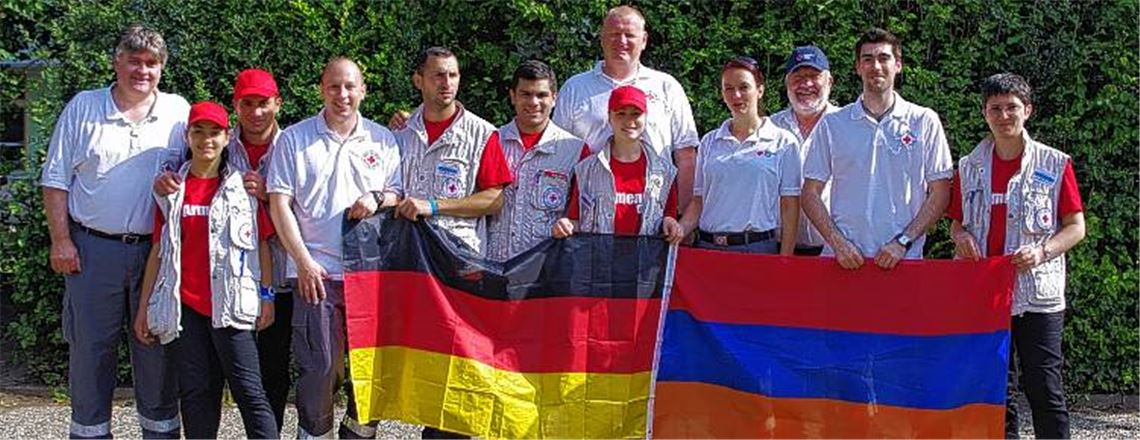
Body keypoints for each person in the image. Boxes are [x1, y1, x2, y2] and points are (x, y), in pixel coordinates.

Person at [40, 24, 185, 439]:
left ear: (162, 68)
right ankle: (89, 433)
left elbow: (207, 162)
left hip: (156, 253)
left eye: (152, 63)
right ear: (116, 61)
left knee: (156, 350)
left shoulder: (178, 111)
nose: (143, 70)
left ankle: (160, 434)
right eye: (134, 60)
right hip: (91, 251)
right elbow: (55, 180)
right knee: (90, 353)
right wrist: (61, 240)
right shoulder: (84, 107)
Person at [266, 57, 403, 439]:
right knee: (322, 367)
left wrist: (378, 197)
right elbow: (280, 203)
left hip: (369, 275)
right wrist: (303, 262)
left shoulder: (382, 139)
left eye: (350, 87)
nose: (342, 95)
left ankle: (359, 434)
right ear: (321, 89)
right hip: (317, 274)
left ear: (363, 90)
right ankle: (314, 433)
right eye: (334, 87)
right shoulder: (294, 139)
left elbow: (397, 193)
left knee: (368, 370)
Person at [152, 67, 294, 432]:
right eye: (248, 103)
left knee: (257, 386)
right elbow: (160, 247)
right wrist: (145, 307)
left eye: (214, 132)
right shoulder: (175, 187)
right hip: (191, 305)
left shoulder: (288, 147)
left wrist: (266, 295)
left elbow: (267, 236)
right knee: (198, 391)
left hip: (247, 295)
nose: (207, 139)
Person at [947, 73, 1085, 439]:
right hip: (984, 294)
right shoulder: (968, 166)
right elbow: (957, 224)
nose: (1004, 115)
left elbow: (1076, 227)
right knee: (994, 390)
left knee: (1044, 387)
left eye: (1012, 107)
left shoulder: (1055, 164)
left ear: (1028, 111)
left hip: (1038, 296)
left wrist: (1042, 251)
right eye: (996, 108)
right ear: (984, 114)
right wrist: (960, 236)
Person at [801, 27, 953, 270]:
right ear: (858, 67)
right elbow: (809, 193)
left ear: (898, 65)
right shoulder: (832, 124)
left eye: (884, 58)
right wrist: (838, 243)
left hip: (904, 261)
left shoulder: (924, 121)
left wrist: (903, 242)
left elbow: (941, 191)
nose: (876, 66)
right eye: (868, 59)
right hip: (843, 262)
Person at [552, 5, 699, 211]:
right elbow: (559, 155)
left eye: (629, 35)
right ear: (602, 38)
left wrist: (682, 217)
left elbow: (686, 156)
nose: (621, 41)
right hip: (589, 213)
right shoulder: (575, 88)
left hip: (655, 212)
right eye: (614, 34)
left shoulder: (667, 87)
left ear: (644, 40)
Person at [393, 47, 512, 256]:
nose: (447, 83)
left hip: (457, 256)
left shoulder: (482, 133)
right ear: (418, 80)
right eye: (438, 75)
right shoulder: (400, 133)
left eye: (453, 75)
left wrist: (433, 206)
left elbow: (495, 200)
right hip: (408, 252)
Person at [679, 57, 801, 255]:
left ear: (759, 90)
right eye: (728, 88)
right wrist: (679, 230)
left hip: (757, 251)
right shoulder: (709, 141)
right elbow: (698, 201)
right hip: (708, 250)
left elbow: (790, 206)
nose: (736, 95)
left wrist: (785, 259)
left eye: (744, 87)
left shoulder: (784, 142)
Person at [552, 85, 684, 244]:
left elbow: (668, 217)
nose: (629, 121)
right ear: (609, 117)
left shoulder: (664, 173)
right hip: (599, 263)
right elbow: (575, 220)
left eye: (636, 114)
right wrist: (564, 226)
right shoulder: (586, 170)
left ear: (646, 117)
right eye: (621, 114)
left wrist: (672, 225)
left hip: (645, 265)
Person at [485, 60, 586, 262]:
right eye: (525, 94)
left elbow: (583, 214)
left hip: (545, 269)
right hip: (493, 263)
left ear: (555, 98)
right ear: (513, 96)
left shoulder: (576, 151)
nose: (533, 102)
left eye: (541, 95)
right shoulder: (491, 140)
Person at [770, 45, 841, 256]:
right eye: (797, 76)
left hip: (834, 251)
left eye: (813, 75)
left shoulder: (848, 126)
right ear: (786, 83)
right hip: (777, 248)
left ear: (829, 81)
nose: (806, 84)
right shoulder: (769, 128)